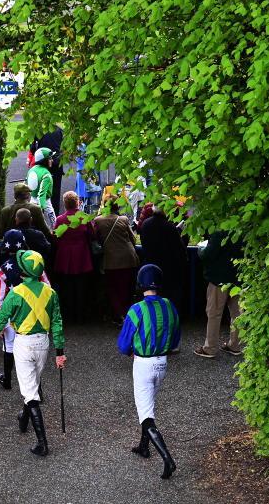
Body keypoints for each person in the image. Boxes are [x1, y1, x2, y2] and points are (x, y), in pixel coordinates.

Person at [0, 250, 66, 457]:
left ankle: (42, 443)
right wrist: (59, 352)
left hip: (23, 343)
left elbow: (1, 318)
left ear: (23, 271)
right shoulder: (51, 292)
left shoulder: (16, 293)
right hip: (43, 343)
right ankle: (23, 418)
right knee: (32, 383)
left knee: (30, 393)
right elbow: (57, 323)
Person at [117, 264, 179, 479]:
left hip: (143, 364)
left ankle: (167, 460)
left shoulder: (136, 309)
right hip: (163, 363)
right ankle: (144, 447)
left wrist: (130, 351)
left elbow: (124, 344)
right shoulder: (169, 305)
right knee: (149, 406)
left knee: (146, 415)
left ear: (140, 283)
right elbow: (175, 338)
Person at [0, 230, 51, 390]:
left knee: (9, 347)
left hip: (12, 317)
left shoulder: (3, 270)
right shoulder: (35, 265)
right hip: (34, 314)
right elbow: (47, 288)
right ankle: (36, 386)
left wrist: (1, 323)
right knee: (33, 350)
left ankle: (7, 380)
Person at [194, 231, 244, 358]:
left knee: (214, 313)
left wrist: (200, 250)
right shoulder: (244, 231)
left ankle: (210, 348)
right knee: (237, 313)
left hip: (218, 279)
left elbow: (207, 254)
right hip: (238, 278)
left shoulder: (219, 233)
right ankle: (235, 345)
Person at [94, 200, 140, 325]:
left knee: (113, 288)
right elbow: (133, 239)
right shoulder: (123, 219)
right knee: (127, 288)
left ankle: (118, 316)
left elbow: (95, 239)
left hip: (111, 259)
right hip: (128, 258)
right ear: (117, 206)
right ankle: (127, 315)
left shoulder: (98, 220)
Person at [53, 191, 94, 324]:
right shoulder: (84, 217)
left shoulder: (60, 219)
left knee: (66, 287)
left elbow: (55, 237)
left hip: (65, 257)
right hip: (82, 256)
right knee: (81, 287)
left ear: (65, 204)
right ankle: (81, 316)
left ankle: (68, 316)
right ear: (77, 202)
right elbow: (92, 235)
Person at [138, 206, 187, 310]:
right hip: (168, 268)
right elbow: (179, 249)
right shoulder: (169, 226)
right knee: (169, 297)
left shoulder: (146, 224)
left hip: (150, 265)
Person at [30, 127, 64, 214]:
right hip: (56, 164)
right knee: (55, 192)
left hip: (43, 164)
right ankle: (54, 215)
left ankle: (39, 214)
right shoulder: (60, 131)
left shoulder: (39, 130)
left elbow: (33, 148)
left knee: (39, 190)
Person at [27, 148, 56, 228]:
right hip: (45, 201)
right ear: (44, 160)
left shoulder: (31, 170)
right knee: (54, 223)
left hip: (32, 200)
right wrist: (40, 211)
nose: (52, 160)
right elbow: (42, 195)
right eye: (50, 158)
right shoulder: (46, 174)